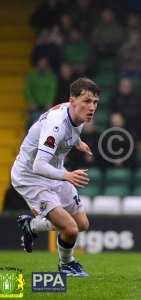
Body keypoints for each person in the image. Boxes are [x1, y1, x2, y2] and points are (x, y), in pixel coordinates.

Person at [12, 78, 100, 277]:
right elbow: (38, 165)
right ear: (72, 100)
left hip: (54, 173)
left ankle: (32, 225)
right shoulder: (56, 125)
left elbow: (72, 131)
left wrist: (78, 143)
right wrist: (67, 175)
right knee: (70, 229)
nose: (92, 107)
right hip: (31, 176)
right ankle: (67, 264)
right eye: (87, 101)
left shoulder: (78, 115)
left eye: (95, 102)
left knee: (82, 225)